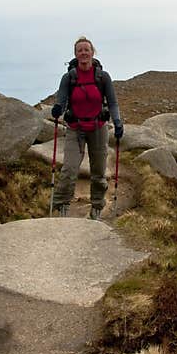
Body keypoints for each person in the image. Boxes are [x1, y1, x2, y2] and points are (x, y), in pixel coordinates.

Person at [50, 36, 124, 220]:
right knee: (69, 169)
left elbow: (113, 103)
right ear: (75, 54)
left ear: (92, 53)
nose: (83, 53)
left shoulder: (102, 77)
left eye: (86, 50)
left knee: (98, 172)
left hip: (98, 128)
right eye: (79, 50)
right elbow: (61, 100)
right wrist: (57, 108)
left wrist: (117, 122)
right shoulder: (69, 77)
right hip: (75, 128)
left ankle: (97, 207)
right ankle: (62, 205)